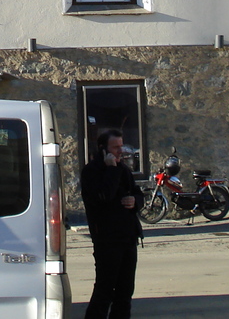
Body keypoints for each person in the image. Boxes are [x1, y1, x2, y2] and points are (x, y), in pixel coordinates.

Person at [81, 129, 143, 318]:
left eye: (121, 146)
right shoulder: (92, 171)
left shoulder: (122, 169)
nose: (120, 151)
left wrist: (135, 201)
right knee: (104, 290)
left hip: (128, 238)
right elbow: (103, 197)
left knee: (125, 292)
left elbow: (137, 193)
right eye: (115, 147)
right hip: (107, 240)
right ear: (103, 149)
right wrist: (111, 170)